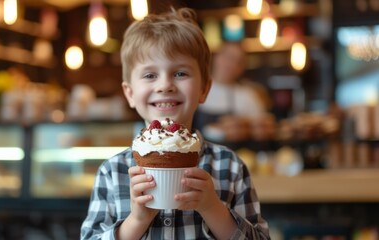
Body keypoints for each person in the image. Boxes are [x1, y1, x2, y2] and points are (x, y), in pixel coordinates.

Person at [81, 8, 270, 240]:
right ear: (129, 94)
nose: (165, 85)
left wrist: (212, 208)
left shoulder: (230, 167)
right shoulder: (112, 173)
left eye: (180, 73)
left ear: (204, 89)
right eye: (150, 75)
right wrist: (136, 220)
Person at [194, 42, 272, 141]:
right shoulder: (196, 89)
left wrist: (244, 129)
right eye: (229, 58)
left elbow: (263, 131)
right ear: (216, 57)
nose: (232, 64)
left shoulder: (248, 95)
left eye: (239, 62)